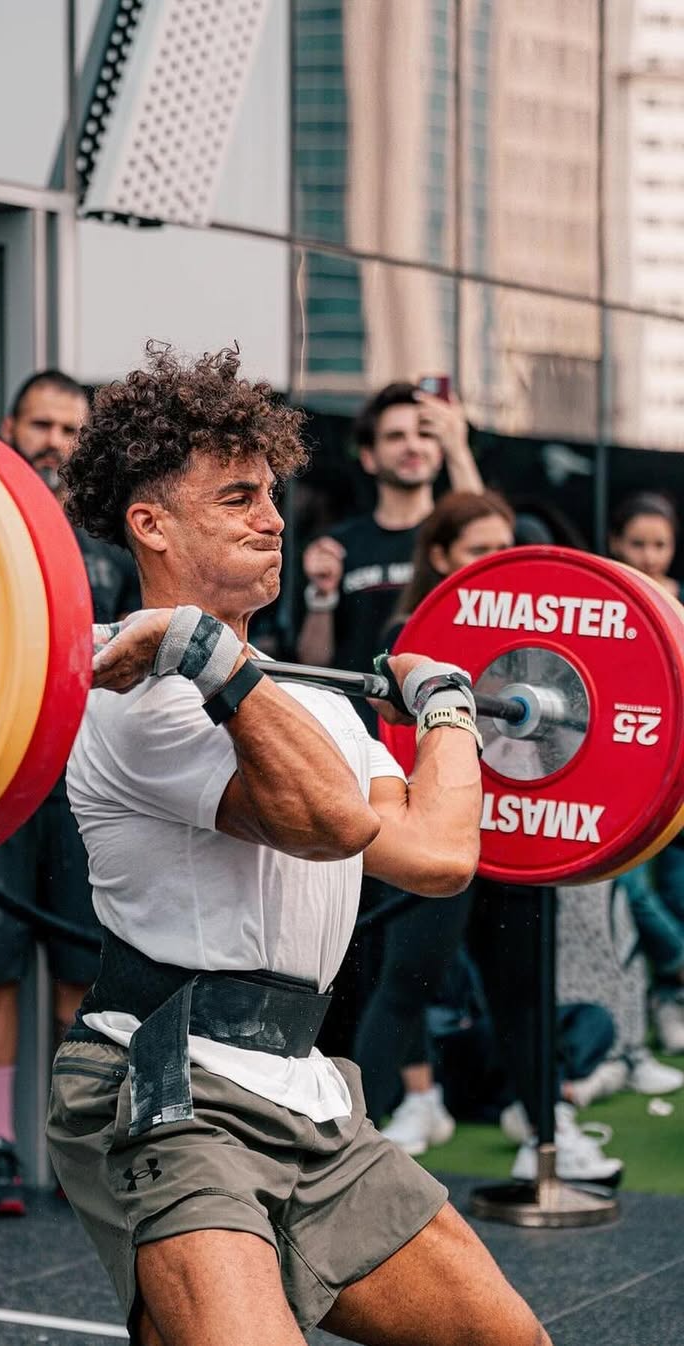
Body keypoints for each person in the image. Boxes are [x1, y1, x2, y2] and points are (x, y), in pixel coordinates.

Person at [48, 346, 550, 1346]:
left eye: (271, 493)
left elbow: (439, 855)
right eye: (237, 497)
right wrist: (213, 663)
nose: (272, 519)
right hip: (170, 1082)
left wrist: (447, 703)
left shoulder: (305, 699)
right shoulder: (135, 703)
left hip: (308, 1090)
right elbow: (332, 824)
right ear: (151, 522)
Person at [356, 493, 623, 1185]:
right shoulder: (407, 636)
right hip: (439, 834)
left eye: (503, 549)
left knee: (523, 995)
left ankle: (548, 1134)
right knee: (405, 985)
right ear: (442, 556)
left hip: (514, 839)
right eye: (478, 552)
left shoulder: (535, 641)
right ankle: (350, 1145)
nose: (495, 565)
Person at [0, 371, 140, 1216]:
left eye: (70, 427)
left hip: (85, 789)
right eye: (42, 423)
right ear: (10, 426)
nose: (54, 439)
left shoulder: (107, 545)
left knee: (79, 974)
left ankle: (72, 1150)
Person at [297, 379, 483, 718]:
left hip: (442, 721)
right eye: (396, 436)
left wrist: (458, 448)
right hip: (356, 731)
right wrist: (321, 597)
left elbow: (486, 543)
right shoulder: (337, 545)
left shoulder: (455, 541)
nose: (412, 446)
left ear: (440, 453)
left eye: (425, 435)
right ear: (369, 457)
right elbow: (314, 660)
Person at [607, 493, 684, 1055]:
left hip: (677, 777)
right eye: (638, 542)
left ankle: (669, 998)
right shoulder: (603, 603)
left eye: (659, 544)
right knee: (632, 888)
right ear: (616, 543)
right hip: (619, 777)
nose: (649, 555)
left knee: (677, 894)